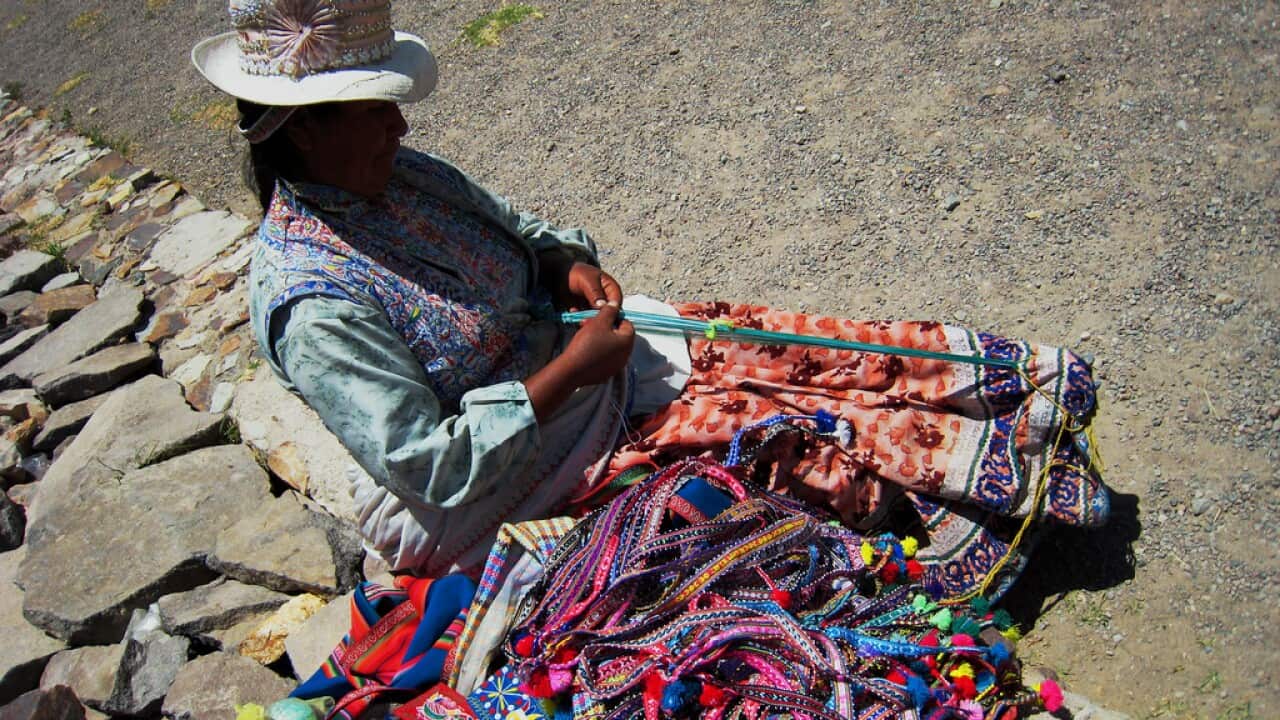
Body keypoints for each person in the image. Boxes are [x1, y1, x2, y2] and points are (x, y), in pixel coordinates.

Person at [193, 0, 1109, 598]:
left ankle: (1005, 406)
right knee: (758, 436)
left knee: (768, 345)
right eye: (372, 110)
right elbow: (428, 465)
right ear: (305, 138)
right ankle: (975, 516)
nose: (400, 122)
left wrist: (562, 267)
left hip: (576, 365)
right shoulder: (311, 303)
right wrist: (571, 376)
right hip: (500, 469)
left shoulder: (398, 176)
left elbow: (516, 224)